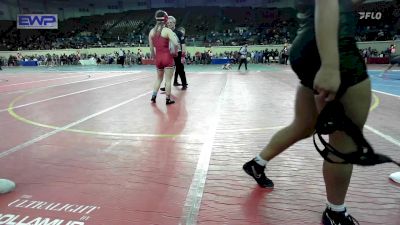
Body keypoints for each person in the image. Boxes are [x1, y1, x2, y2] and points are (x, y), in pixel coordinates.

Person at [243, 0, 370, 224]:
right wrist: (330, 65)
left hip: (308, 44)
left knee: (303, 125)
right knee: (344, 142)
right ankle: (335, 212)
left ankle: (257, 163)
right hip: (333, 47)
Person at [149, 10, 179, 105]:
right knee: (168, 80)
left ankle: (153, 97)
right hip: (167, 57)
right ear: (165, 19)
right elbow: (176, 43)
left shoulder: (151, 32)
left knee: (158, 79)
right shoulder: (167, 31)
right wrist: (174, 53)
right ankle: (168, 99)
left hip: (158, 58)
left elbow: (151, 48)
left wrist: (155, 58)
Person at [160, 16, 188, 91]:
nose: (169, 24)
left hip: (178, 54)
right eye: (168, 23)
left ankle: (184, 84)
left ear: (174, 23)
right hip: (169, 54)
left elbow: (183, 45)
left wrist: (182, 56)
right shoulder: (166, 33)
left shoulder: (179, 33)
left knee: (180, 69)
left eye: (171, 22)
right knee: (168, 70)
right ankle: (166, 86)